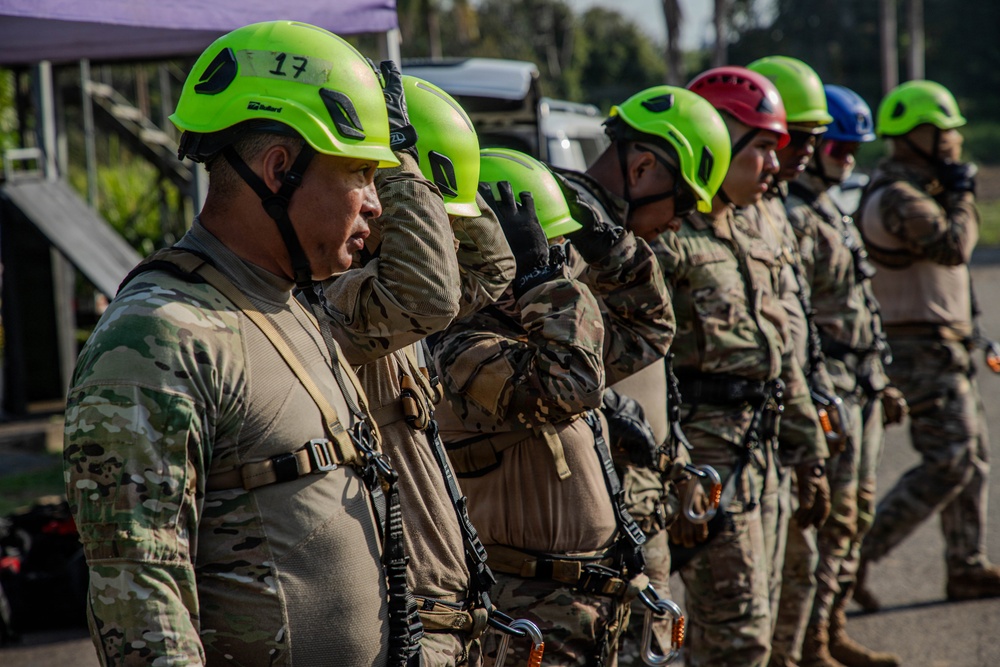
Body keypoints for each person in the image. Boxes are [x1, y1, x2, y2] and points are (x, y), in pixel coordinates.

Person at [63, 21, 411, 666]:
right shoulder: (160, 333)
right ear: (279, 170)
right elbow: (141, 603)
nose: (375, 204)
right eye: (360, 173)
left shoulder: (289, 302)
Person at [432, 142, 680, 667]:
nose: (563, 267)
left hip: (585, 606)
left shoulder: (547, 336)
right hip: (527, 614)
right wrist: (538, 281)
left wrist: (610, 247)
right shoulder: (461, 349)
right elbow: (572, 384)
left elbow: (648, 329)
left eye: (563, 253)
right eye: (549, 252)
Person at [319, 72, 517, 665]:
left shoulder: (391, 309)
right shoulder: (336, 300)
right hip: (401, 623)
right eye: (432, 223)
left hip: (442, 616)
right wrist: (401, 161)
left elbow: (491, 272)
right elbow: (432, 292)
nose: (446, 243)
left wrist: (436, 184)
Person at [647, 68, 824, 667]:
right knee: (737, 640)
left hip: (762, 454)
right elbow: (643, 377)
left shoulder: (751, 226)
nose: (775, 166)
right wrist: (678, 474)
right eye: (763, 149)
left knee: (755, 630)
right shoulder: (668, 237)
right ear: (717, 139)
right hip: (708, 464)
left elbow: (781, 356)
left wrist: (808, 453)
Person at [550, 86, 732, 666]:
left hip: (636, 502)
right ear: (642, 167)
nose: (678, 223)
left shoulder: (611, 231)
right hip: (594, 515)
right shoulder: (567, 227)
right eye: (681, 203)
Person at [856, 80, 1000, 605]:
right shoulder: (898, 197)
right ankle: (856, 557)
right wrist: (963, 194)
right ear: (920, 137)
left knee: (972, 458)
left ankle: (966, 566)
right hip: (917, 351)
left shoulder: (924, 190)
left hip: (944, 346)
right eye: (948, 133)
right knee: (951, 459)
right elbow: (952, 246)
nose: (957, 141)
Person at [783, 84, 901, 667]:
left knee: (858, 515)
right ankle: (811, 644)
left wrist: (882, 378)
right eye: (838, 148)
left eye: (855, 150)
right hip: (831, 388)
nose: (848, 160)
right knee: (832, 521)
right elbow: (797, 319)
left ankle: (833, 627)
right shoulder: (794, 216)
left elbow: (859, 305)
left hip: (861, 384)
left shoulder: (831, 206)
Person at [744, 56, 843, 667]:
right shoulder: (726, 215)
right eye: (792, 139)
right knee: (746, 607)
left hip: (791, 411)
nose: (804, 152)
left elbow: (796, 321)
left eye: (810, 140)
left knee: (798, 566)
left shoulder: (776, 208)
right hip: (741, 433)